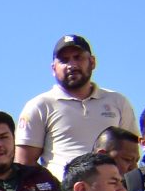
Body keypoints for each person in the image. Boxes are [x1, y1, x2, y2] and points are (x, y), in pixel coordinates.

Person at [19, 35, 137, 178]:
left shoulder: (117, 101)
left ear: (92, 62)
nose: (72, 65)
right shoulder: (39, 105)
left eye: (78, 57)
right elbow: (24, 163)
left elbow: (132, 155)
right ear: (53, 68)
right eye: (64, 60)